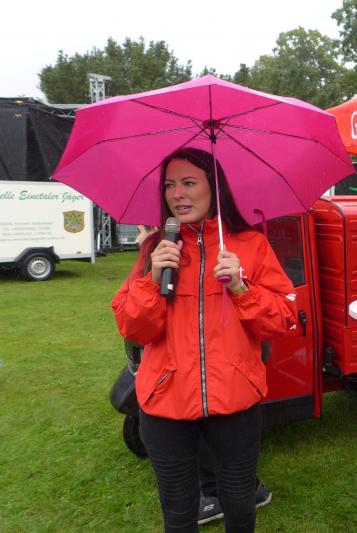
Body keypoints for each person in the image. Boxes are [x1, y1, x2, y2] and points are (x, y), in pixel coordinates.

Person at [112, 147, 298, 532]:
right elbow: (134, 328)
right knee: (179, 515)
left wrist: (243, 288)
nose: (177, 194)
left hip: (235, 400)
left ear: (214, 188)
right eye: (169, 185)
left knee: (240, 506)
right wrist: (153, 280)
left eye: (188, 183)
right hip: (165, 402)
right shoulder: (155, 248)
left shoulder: (250, 245)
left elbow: (282, 320)